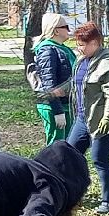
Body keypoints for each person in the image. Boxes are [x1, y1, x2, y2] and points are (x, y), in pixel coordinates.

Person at [70, 22, 109, 212]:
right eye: (78, 44)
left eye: (83, 44)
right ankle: (71, 196)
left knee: (99, 159)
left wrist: (107, 117)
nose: (80, 47)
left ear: (95, 42)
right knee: (70, 154)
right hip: (81, 119)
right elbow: (76, 86)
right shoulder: (81, 61)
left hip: (100, 120)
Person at [32, 12, 76, 144]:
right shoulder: (47, 51)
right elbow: (49, 83)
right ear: (56, 31)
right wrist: (58, 111)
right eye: (66, 27)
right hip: (53, 106)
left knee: (68, 146)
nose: (69, 30)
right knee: (56, 147)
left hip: (66, 104)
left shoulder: (63, 49)